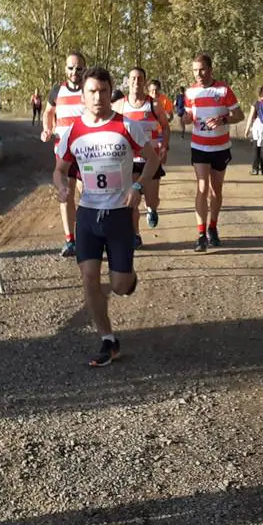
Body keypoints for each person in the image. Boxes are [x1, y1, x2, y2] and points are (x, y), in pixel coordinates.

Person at [53, 67, 160, 367]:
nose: (97, 96)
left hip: (119, 216)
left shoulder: (127, 126)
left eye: (102, 91)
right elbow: (60, 169)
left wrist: (138, 185)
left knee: (119, 286)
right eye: (91, 91)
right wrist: (61, 186)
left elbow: (152, 159)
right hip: (87, 215)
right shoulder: (74, 130)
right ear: (83, 95)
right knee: (89, 279)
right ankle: (107, 339)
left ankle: (127, 280)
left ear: (111, 91)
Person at [182, 53, 243, 252]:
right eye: (194, 70)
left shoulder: (223, 90)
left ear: (210, 70)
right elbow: (188, 116)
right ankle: (200, 234)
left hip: (220, 147)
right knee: (202, 187)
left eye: (201, 69)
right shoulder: (190, 92)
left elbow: (239, 115)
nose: (198, 74)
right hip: (199, 146)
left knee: (216, 190)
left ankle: (213, 227)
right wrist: (184, 118)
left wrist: (223, 120)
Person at [114, 67, 171, 247]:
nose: (136, 82)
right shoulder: (120, 105)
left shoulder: (153, 104)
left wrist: (164, 147)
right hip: (129, 161)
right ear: (128, 81)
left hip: (151, 160)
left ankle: (152, 209)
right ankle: (135, 235)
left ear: (144, 82)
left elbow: (165, 126)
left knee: (152, 199)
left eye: (139, 79)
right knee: (132, 200)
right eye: (132, 79)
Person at [41, 52, 87, 257]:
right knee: (65, 194)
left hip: (87, 151)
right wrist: (47, 129)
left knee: (87, 194)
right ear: (65, 69)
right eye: (70, 68)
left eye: (78, 68)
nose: (74, 72)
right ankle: (70, 241)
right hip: (63, 151)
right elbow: (48, 112)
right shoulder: (57, 91)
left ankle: (90, 236)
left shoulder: (89, 89)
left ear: (84, 69)